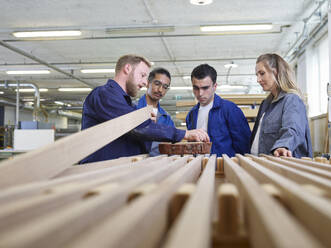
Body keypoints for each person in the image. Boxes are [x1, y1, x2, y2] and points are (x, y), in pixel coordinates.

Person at [81, 55, 209, 163]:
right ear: (127, 68)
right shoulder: (104, 94)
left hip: (115, 171)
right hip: (98, 171)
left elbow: (139, 138)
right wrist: (184, 134)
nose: (144, 82)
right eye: (142, 75)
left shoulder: (127, 105)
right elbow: (135, 126)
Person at [250, 53, 312, 157]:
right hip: (263, 163)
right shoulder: (265, 104)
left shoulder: (292, 100)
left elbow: (293, 129)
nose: (258, 80)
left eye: (262, 73)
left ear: (276, 72)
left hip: (284, 165)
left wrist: (284, 146)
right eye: (257, 75)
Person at [186, 64, 251, 157]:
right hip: (199, 167)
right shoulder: (191, 115)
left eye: (205, 88)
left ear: (215, 86)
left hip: (224, 168)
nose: (200, 93)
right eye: (196, 88)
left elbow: (243, 145)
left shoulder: (230, 110)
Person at [137, 67, 175, 156]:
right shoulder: (132, 109)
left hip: (158, 165)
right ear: (147, 83)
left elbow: (171, 147)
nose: (160, 90)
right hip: (132, 164)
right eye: (157, 84)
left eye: (165, 87)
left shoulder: (166, 118)